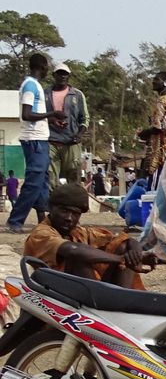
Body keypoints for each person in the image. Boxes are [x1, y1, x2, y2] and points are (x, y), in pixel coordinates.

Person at [22, 181, 156, 288]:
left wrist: (136, 254)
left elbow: (125, 240)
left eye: (75, 214)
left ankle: (122, 301)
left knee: (123, 246)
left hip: (79, 288)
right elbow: (73, 250)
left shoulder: (77, 232)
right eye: (64, 211)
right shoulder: (41, 233)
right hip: (52, 291)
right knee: (78, 256)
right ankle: (102, 304)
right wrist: (121, 259)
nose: (69, 218)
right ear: (51, 208)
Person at [8, 53, 53, 230]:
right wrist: (52, 114)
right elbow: (27, 114)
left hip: (40, 138)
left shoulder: (35, 86)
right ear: (42, 67)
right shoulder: (30, 86)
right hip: (34, 139)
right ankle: (15, 220)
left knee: (43, 181)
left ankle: (43, 220)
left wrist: (51, 119)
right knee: (34, 181)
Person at [45, 64, 89, 192]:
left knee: (73, 176)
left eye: (65, 74)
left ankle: (73, 207)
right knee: (50, 177)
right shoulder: (45, 94)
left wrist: (79, 135)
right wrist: (51, 121)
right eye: (59, 73)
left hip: (71, 142)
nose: (62, 76)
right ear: (54, 75)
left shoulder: (77, 95)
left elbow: (85, 118)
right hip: (51, 141)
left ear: (69, 76)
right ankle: (52, 208)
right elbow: (40, 116)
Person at [137, 71, 166, 180]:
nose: (153, 82)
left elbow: (157, 127)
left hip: (158, 153)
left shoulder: (161, 102)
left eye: (156, 79)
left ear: (165, 83)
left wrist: (143, 133)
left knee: (154, 186)